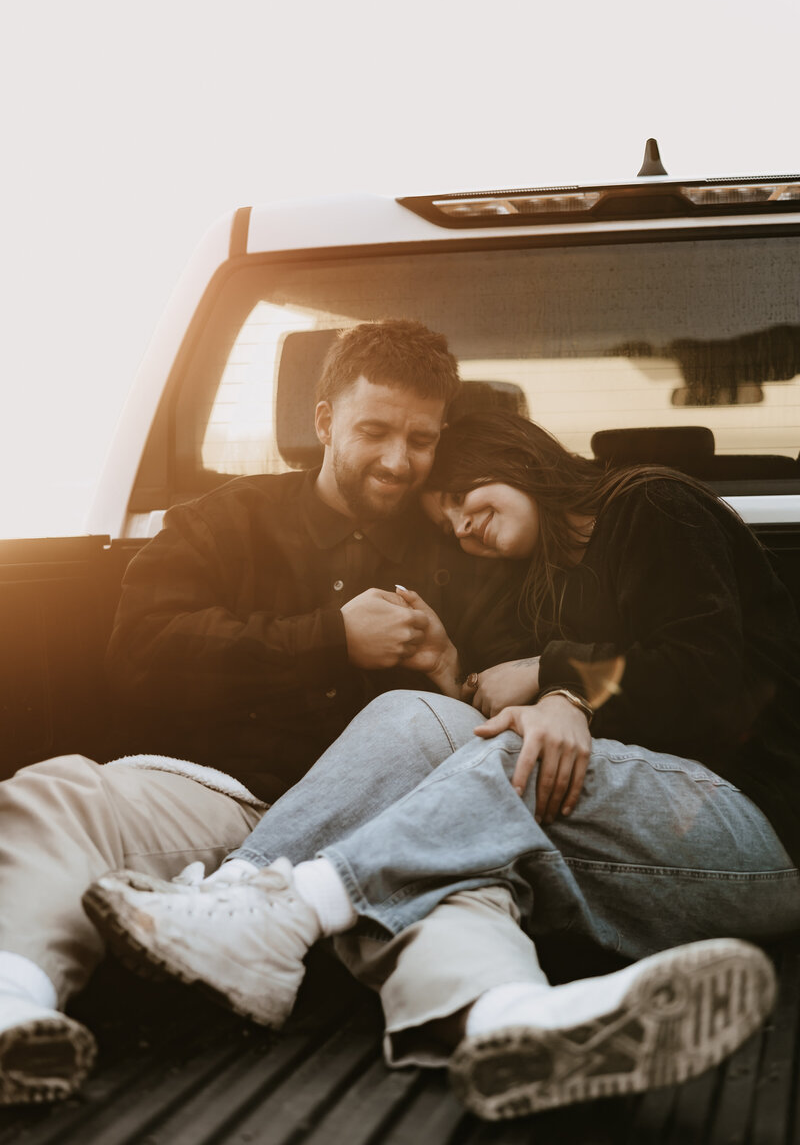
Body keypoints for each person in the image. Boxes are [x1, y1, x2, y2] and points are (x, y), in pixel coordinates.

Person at [86, 411, 800, 1122]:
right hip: (633, 829)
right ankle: (241, 892)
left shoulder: (652, 506)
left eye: (460, 495)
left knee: (520, 754)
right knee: (413, 715)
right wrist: (449, 667)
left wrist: (562, 687)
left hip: (749, 826)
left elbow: (706, 680)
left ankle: (286, 915)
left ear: (508, 450)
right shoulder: (535, 577)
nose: (461, 526)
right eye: (446, 520)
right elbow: (500, 717)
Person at [0, 324, 529, 1106]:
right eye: (373, 431)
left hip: (384, 818)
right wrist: (328, 639)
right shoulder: (222, 520)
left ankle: (518, 1029)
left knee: (459, 874)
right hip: (217, 794)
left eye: (421, 439)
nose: (397, 459)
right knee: (56, 792)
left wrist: (452, 666)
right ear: (322, 423)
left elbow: (491, 711)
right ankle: (15, 1013)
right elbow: (139, 655)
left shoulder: (463, 545)